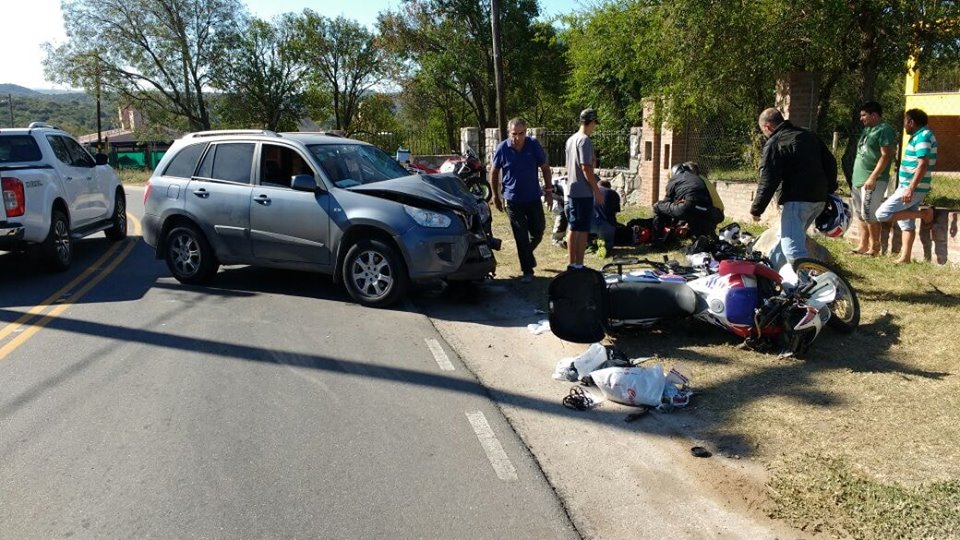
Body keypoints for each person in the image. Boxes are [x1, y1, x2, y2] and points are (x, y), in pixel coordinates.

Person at [751, 108, 838, 269]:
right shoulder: (808, 135)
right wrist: (830, 189)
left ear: (768, 127)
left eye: (763, 131)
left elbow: (768, 179)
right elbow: (831, 162)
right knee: (786, 238)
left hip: (797, 201)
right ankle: (772, 276)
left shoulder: (775, 142)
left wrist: (757, 209)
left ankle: (807, 287)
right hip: (818, 199)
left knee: (792, 248)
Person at [490, 117, 553, 282]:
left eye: (521, 133)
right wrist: (496, 196)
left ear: (526, 132)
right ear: (509, 132)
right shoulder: (503, 148)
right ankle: (527, 271)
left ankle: (527, 254)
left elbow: (545, 168)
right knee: (521, 236)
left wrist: (548, 191)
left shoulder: (533, 145)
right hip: (513, 199)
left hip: (532, 197)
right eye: (514, 134)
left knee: (538, 231)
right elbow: (494, 172)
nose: (517, 137)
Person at [875, 108, 937, 264]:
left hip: (911, 187)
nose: (904, 126)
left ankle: (925, 214)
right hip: (910, 186)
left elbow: (922, 164)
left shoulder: (922, 137)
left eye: (904, 122)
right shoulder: (921, 135)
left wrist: (910, 188)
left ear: (911, 122)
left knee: (882, 214)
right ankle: (906, 257)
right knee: (906, 223)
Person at [850, 101, 897, 256]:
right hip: (858, 179)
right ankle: (862, 245)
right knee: (860, 213)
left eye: (864, 115)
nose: (861, 118)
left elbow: (886, 155)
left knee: (869, 213)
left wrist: (873, 177)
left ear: (874, 115)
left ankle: (875, 248)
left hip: (872, 180)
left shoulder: (885, 130)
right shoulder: (868, 130)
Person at [564, 108, 603, 268]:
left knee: (573, 227)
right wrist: (596, 190)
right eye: (594, 123)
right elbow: (586, 168)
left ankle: (571, 263)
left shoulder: (571, 139)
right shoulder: (585, 140)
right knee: (582, 229)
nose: (594, 127)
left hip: (572, 189)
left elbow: (568, 166)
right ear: (591, 122)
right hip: (583, 191)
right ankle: (579, 265)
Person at [652, 162, 724, 242]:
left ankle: (658, 238)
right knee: (693, 213)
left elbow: (668, 202)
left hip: (690, 207)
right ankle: (704, 234)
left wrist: (660, 207)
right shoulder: (701, 180)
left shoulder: (674, 180)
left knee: (660, 206)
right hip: (711, 212)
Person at [590, 179, 621, 251]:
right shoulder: (614, 194)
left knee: (583, 233)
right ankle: (605, 247)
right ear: (609, 187)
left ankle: (588, 244)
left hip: (589, 225)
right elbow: (615, 213)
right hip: (606, 225)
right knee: (607, 246)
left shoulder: (590, 191)